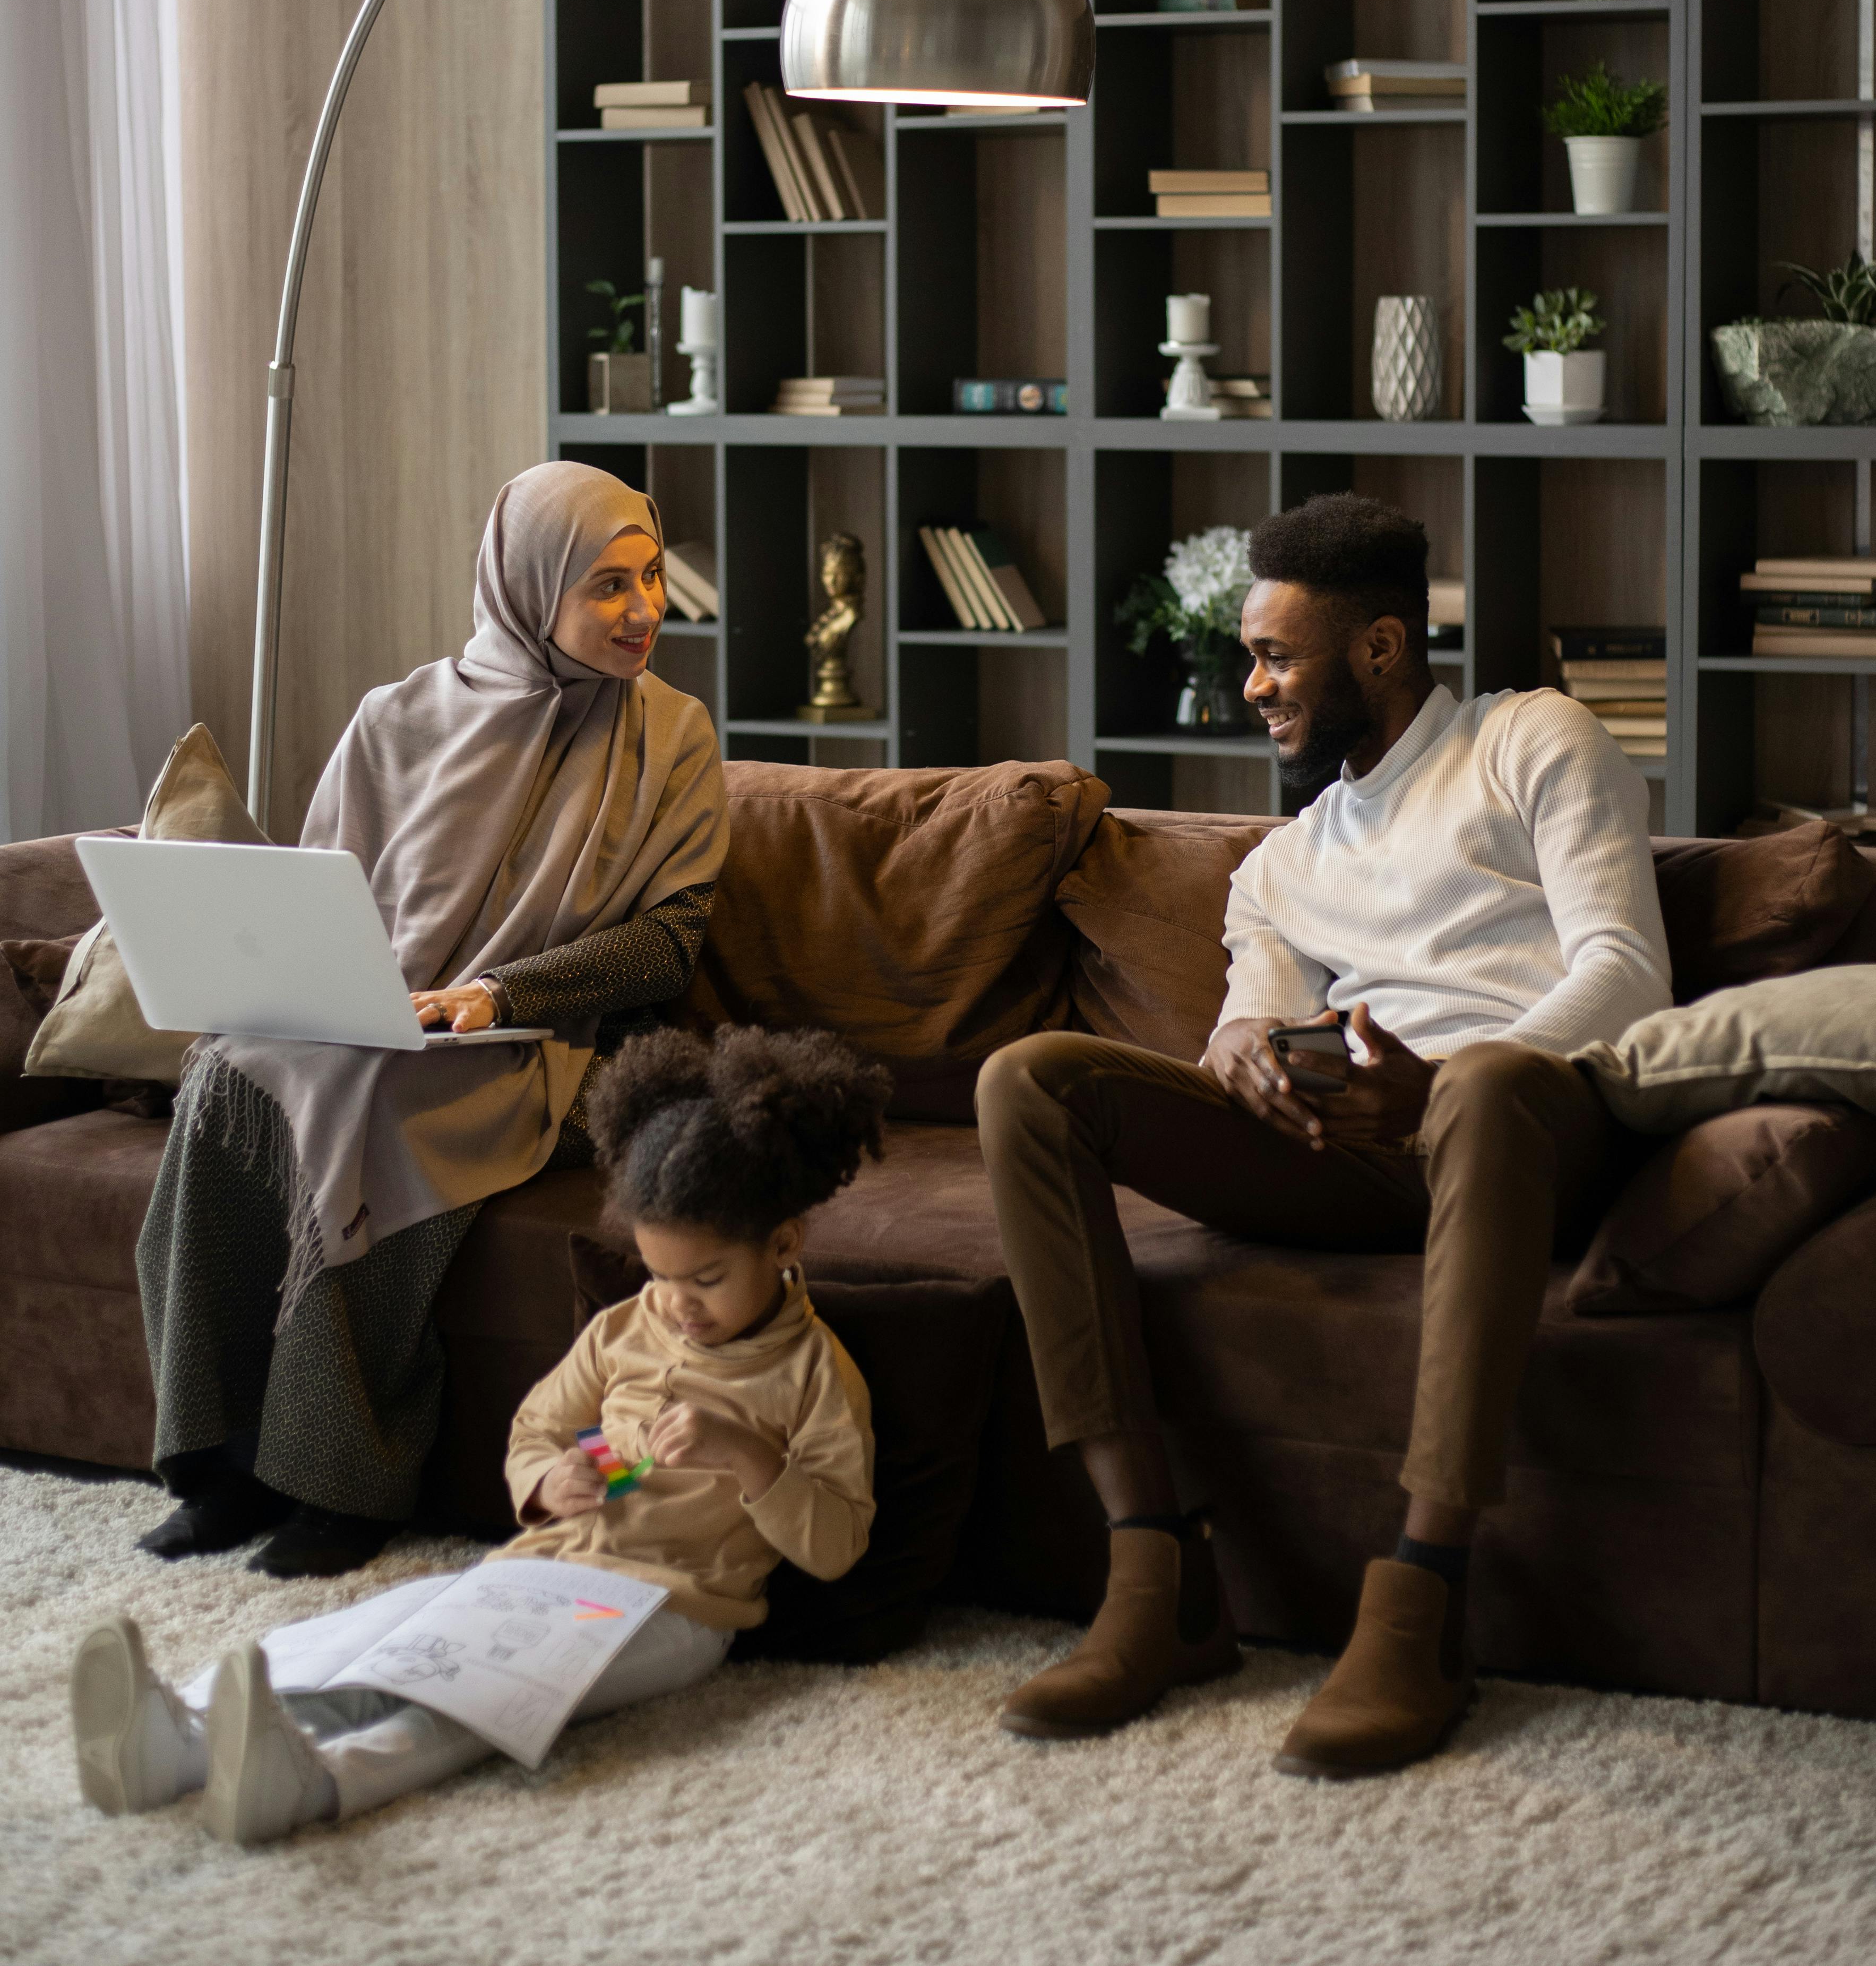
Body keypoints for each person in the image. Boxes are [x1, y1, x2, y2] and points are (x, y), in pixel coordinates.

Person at [977, 492, 1672, 1775]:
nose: (1252, 685)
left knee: (1482, 1093)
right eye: (1251, 656)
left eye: (1276, 656)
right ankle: (1158, 1572)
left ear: (1383, 647)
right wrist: (1242, 1047)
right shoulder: (1279, 863)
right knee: (1031, 1079)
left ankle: (1423, 1593)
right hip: (1352, 1149)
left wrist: (1452, 1077)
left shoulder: (1534, 740)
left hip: (1523, 1132)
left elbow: (1629, 972)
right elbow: (1253, 1018)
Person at [73, 1024, 888, 1842]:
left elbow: (836, 1543)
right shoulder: (626, 1327)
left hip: (669, 1611)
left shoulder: (816, 1375)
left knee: (479, 1686)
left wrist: (748, 1456)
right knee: (388, 1630)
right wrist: (553, 1476)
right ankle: (180, 1738)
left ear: (783, 1243)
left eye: (705, 1279)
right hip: (540, 1569)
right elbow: (542, 1426)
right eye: (659, 1274)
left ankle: (320, 1783)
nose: (676, 1303)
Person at [134, 461, 729, 1579]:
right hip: (369, 1004)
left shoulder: (674, 736)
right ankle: (218, 1463)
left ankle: (337, 1483)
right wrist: (309, 988)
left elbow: (667, 939)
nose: (646, 608)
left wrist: (499, 993)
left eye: (652, 576)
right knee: (228, 1072)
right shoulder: (394, 716)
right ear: (524, 588)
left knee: (381, 1095)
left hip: (533, 1044)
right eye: (607, 585)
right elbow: (320, 891)